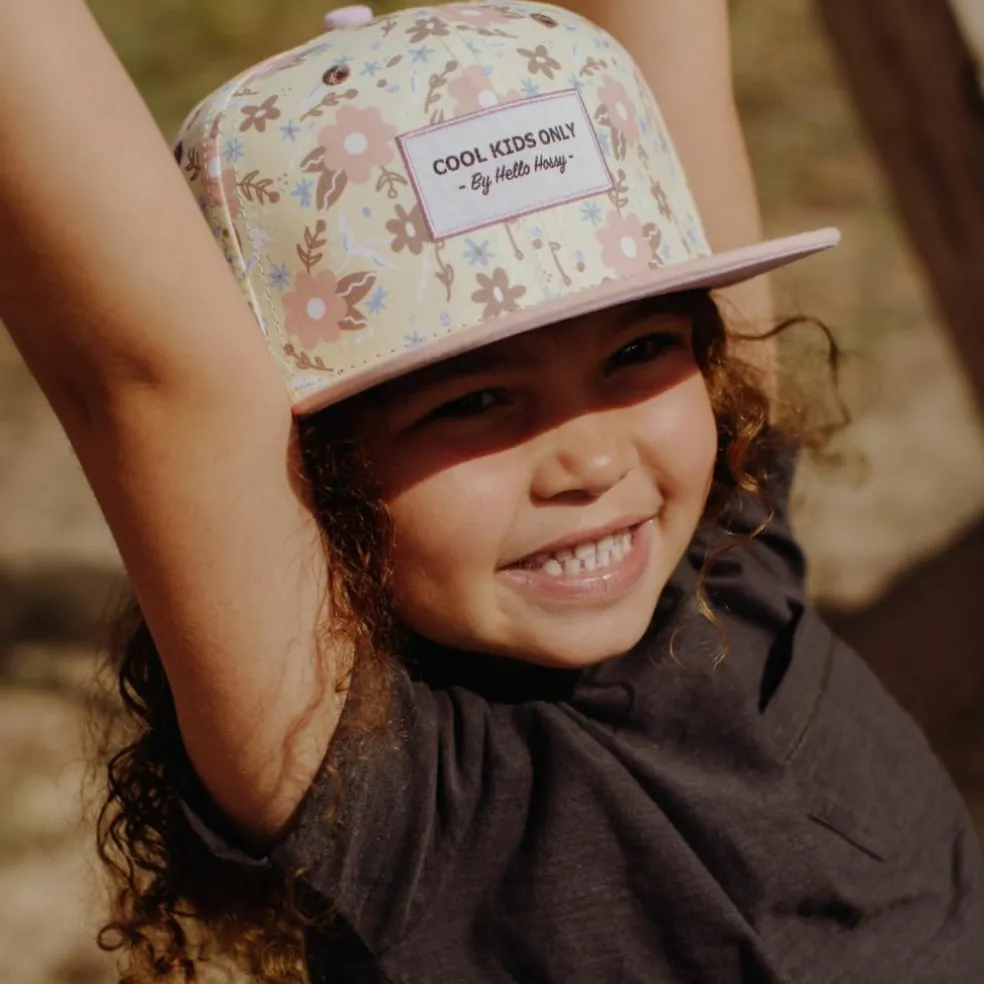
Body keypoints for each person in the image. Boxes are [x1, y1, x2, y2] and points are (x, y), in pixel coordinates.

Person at [0, 3, 980, 984]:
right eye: (473, 402)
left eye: (637, 350)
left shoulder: (733, 551)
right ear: (324, 479)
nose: (592, 462)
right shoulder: (385, 785)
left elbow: (666, 33)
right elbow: (152, 381)